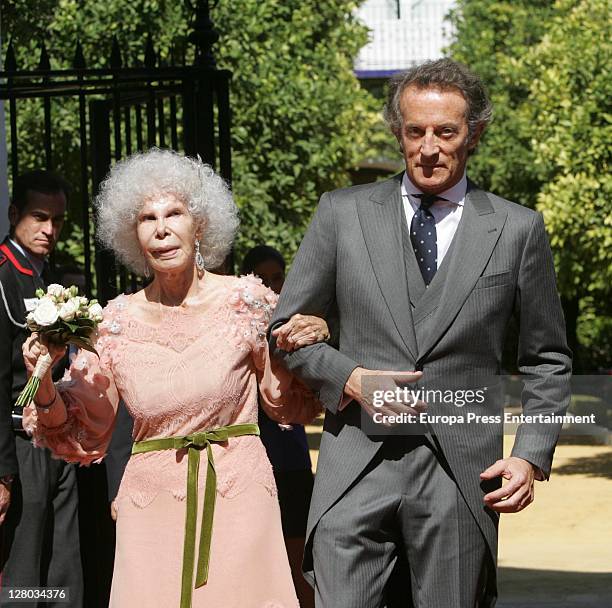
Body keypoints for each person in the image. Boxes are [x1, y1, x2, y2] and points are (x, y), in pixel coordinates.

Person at [270, 58, 572, 607]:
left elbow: (547, 359)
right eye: (415, 131)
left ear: (474, 135)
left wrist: (530, 454)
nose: (428, 147)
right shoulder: (341, 213)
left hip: (460, 473)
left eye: (446, 132)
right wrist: (351, 378)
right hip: (354, 465)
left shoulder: (517, 229)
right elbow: (283, 332)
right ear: (398, 131)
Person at [20, 148, 328, 608]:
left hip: (239, 498)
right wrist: (42, 383)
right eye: (147, 218)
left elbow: (289, 401)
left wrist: (314, 334)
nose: (162, 228)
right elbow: (84, 432)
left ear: (199, 223)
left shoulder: (247, 301)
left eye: (175, 213)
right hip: (150, 510)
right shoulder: (113, 323)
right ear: (133, 234)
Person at [0, 170, 83, 606]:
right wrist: (1, 469)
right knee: (24, 571)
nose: (50, 229)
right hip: (19, 444)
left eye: (58, 220)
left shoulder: (50, 275)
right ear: (14, 214)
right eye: (39, 216)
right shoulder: (3, 274)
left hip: (59, 439)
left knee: (62, 567)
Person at [242, 245, 320, 608]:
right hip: (255, 461)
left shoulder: (298, 324)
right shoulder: (238, 326)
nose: (272, 286)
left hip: (294, 460)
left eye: (278, 277)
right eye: (263, 278)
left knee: (301, 556)